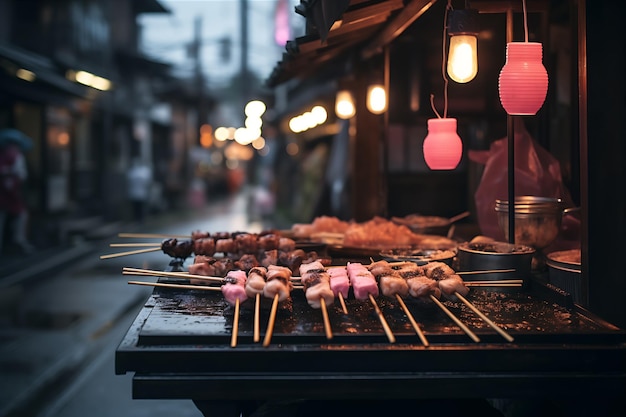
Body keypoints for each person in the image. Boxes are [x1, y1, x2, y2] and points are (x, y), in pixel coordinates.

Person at [0, 142, 34, 255]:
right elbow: (21, 174)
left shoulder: (10, 157)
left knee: (13, 215)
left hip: (10, 191)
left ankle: (18, 240)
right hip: (9, 191)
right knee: (19, 215)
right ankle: (18, 240)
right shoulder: (15, 157)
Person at [126, 158, 153, 224]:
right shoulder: (144, 172)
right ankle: (140, 220)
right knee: (140, 207)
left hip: (135, 192)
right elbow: (148, 183)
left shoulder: (132, 172)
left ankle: (138, 220)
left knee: (137, 207)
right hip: (141, 192)